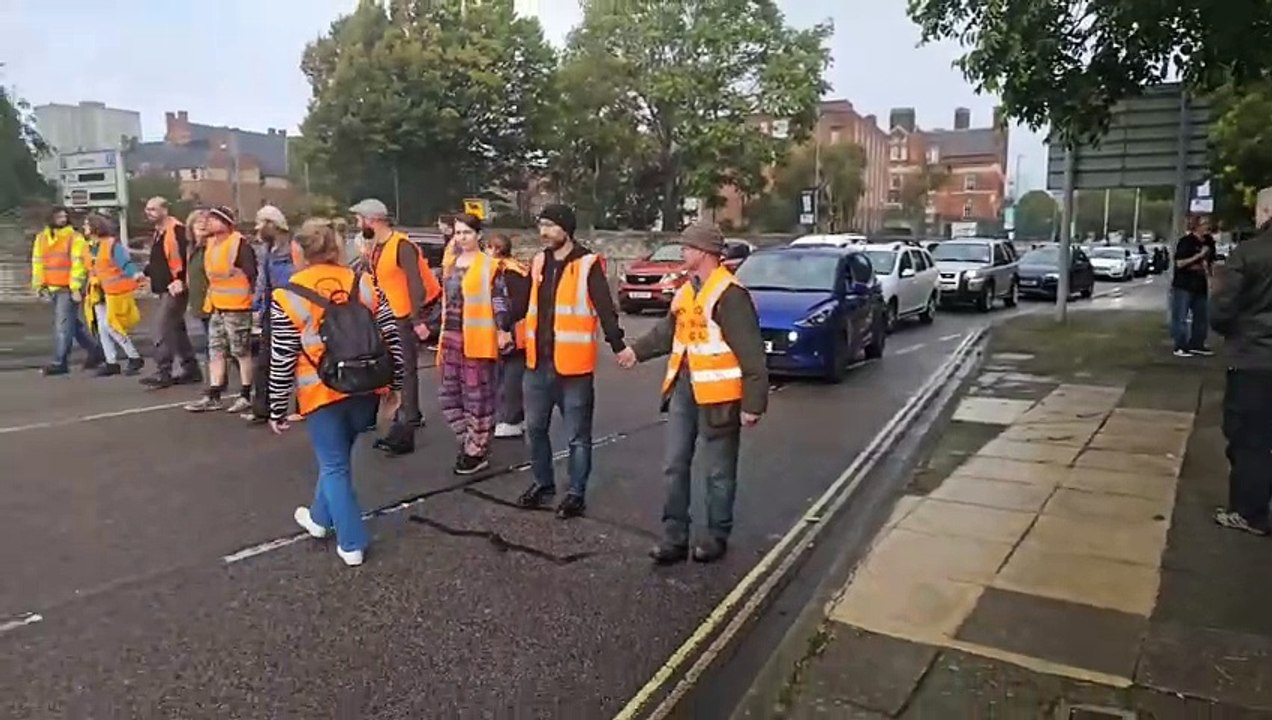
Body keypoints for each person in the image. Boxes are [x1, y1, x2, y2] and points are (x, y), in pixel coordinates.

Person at [618, 223, 768, 563]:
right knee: (674, 465)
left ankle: (716, 535)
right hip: (684, 388)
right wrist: (635, 352)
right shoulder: (687, 291)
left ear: (703, 252)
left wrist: (753, 403)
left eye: (686, 248)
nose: (682, 253)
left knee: (718, 472)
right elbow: (667, 333)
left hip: (720, 395)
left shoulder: (731, 294)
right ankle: (674, 537)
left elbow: (752, 353)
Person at [267, 219, 406, 567]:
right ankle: (318, 518)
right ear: (335, 248)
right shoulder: (363, 282)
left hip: (321, 393)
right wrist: (397, 384)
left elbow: (282, 356)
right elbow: (391, 335)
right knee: (337, 460)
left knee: (333, 466)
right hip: (367, 385)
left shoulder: (287, 296)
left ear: (298, 251)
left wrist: (276, 406)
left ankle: (351, 541)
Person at [514, 204, 626, 519]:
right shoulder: (539, 261)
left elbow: (605, 308)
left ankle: (576, 493)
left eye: (549, 225)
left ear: (566, 228)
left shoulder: (587, 264)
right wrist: (504, 327)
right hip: (537, 363)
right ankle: (543, 484)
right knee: (534, 429)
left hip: (574, 368)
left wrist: (618, 345)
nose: (543, 232)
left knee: (577, 436)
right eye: (541, 226)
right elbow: (524, 303)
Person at [352, 198, 441, 456]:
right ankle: (409, 416)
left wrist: (417, 320)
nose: (358, 224)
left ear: (373, 220)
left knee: (408, 368)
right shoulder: (380, 247)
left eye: (360, 219)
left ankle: (408, 422)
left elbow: (416, 284)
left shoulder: (401, 245)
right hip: (398, 312)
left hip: (409, 314)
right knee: (404, 367)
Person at [1211, 203, 1272, 536]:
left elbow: (1222, 308)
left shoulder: (1249, 253)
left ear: (1265, 212)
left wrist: (1231, 329)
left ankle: (1250, 513)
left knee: (1250, 439)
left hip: (1254, 359)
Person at [436, 214, 508, 474]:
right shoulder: (451, 265)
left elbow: (500, 300)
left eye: (467, 232)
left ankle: (477, 449)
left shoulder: (490, 265)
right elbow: (445, 302)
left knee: (478, 398)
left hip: (477, 341)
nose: (462, 237)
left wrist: (503, 329)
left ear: (478, 235)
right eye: (458, 232)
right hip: (451, 339)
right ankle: (468, 440)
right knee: (449, 396)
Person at [185, 206, 257, 413]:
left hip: (237, 306)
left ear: (225, 222)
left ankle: (245, 394)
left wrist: (254, 303)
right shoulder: (210, 244)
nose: (207, 222)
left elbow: (251, 274)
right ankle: (214, 394)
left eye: (213, 219)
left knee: (240, 351)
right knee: (215, 350)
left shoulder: (238, 244)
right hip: (216, 304)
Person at [245, 205, 301, 424]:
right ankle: (262, 409)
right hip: (272, 309)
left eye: (261, 223)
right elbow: (262, 279)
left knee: (298, 359)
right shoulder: (266, 249)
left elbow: (300, 277)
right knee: (266, 361)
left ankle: (303, 406)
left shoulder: (294, 246)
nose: (258, 228)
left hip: (293, 308)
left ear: (273, 224)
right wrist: (257, 306)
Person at [31, 206, 102, 375]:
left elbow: (78, 265)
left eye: (64, 216)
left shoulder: (74, 238)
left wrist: (75, 287)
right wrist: (38, 285)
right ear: (51, 218)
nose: (63, 219)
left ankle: (60, 362)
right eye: (59, 216)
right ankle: (97, 351)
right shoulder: (41, 238)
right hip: (53, 288)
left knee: (62, 325)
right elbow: (38, 263)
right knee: (72, 325)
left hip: (67, 288)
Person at [140, 196, 200, 387]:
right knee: (176, 329)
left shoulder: (175, 230)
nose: (148, 213)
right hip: (165, 287)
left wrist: (180, 280)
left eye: (153, 209)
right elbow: (161, 260)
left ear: (165, 210)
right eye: (147, 209)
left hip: (174, 287)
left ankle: (163, 371)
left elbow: (184, 258)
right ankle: (191, 368)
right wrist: (147, 272)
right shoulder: (160, 232)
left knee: (162, 327)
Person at [83, 213, 146, 377]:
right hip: (98, 291)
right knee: (103, 328)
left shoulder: (111, 245)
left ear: (95, 227)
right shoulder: (89, 247)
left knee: (112, 325)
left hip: (115, 291)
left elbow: (125, 262)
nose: (84, 228)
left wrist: (135, 275)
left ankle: (134, 356)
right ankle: (111, 361)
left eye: (87, 225)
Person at [491, 233, 530, 438]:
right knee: (513, 375)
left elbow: (509, 303)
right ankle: (515, 417)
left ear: (496, 250)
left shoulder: (504, 272)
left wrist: (504, 327)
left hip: (511, 330)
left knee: (509, 377)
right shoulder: (518, 267)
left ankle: (511, 419)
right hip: (521, 329)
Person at [1170, 216, 1214, 358]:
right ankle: (1180, 346)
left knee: (1202, 317)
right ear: (1196, 226)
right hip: (1184, 285)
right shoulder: (1186, 242)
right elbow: (1179, 263)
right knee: (1180, 316)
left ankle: (1197, 343)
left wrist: (1210, 277)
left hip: (1200, 285)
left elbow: (1210, 263)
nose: (1207, 226)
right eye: (1204, 224)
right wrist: (1198, 256)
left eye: (1208, 223)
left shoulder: (1209, 242)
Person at [184, 209, 212, 367]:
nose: (202, 223)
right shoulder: (191, 249)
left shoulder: (211, 247)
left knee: (215, 342)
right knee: (209, 337)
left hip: (214, 302)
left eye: (206, 220)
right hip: (199, 301)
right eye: (198, 221)